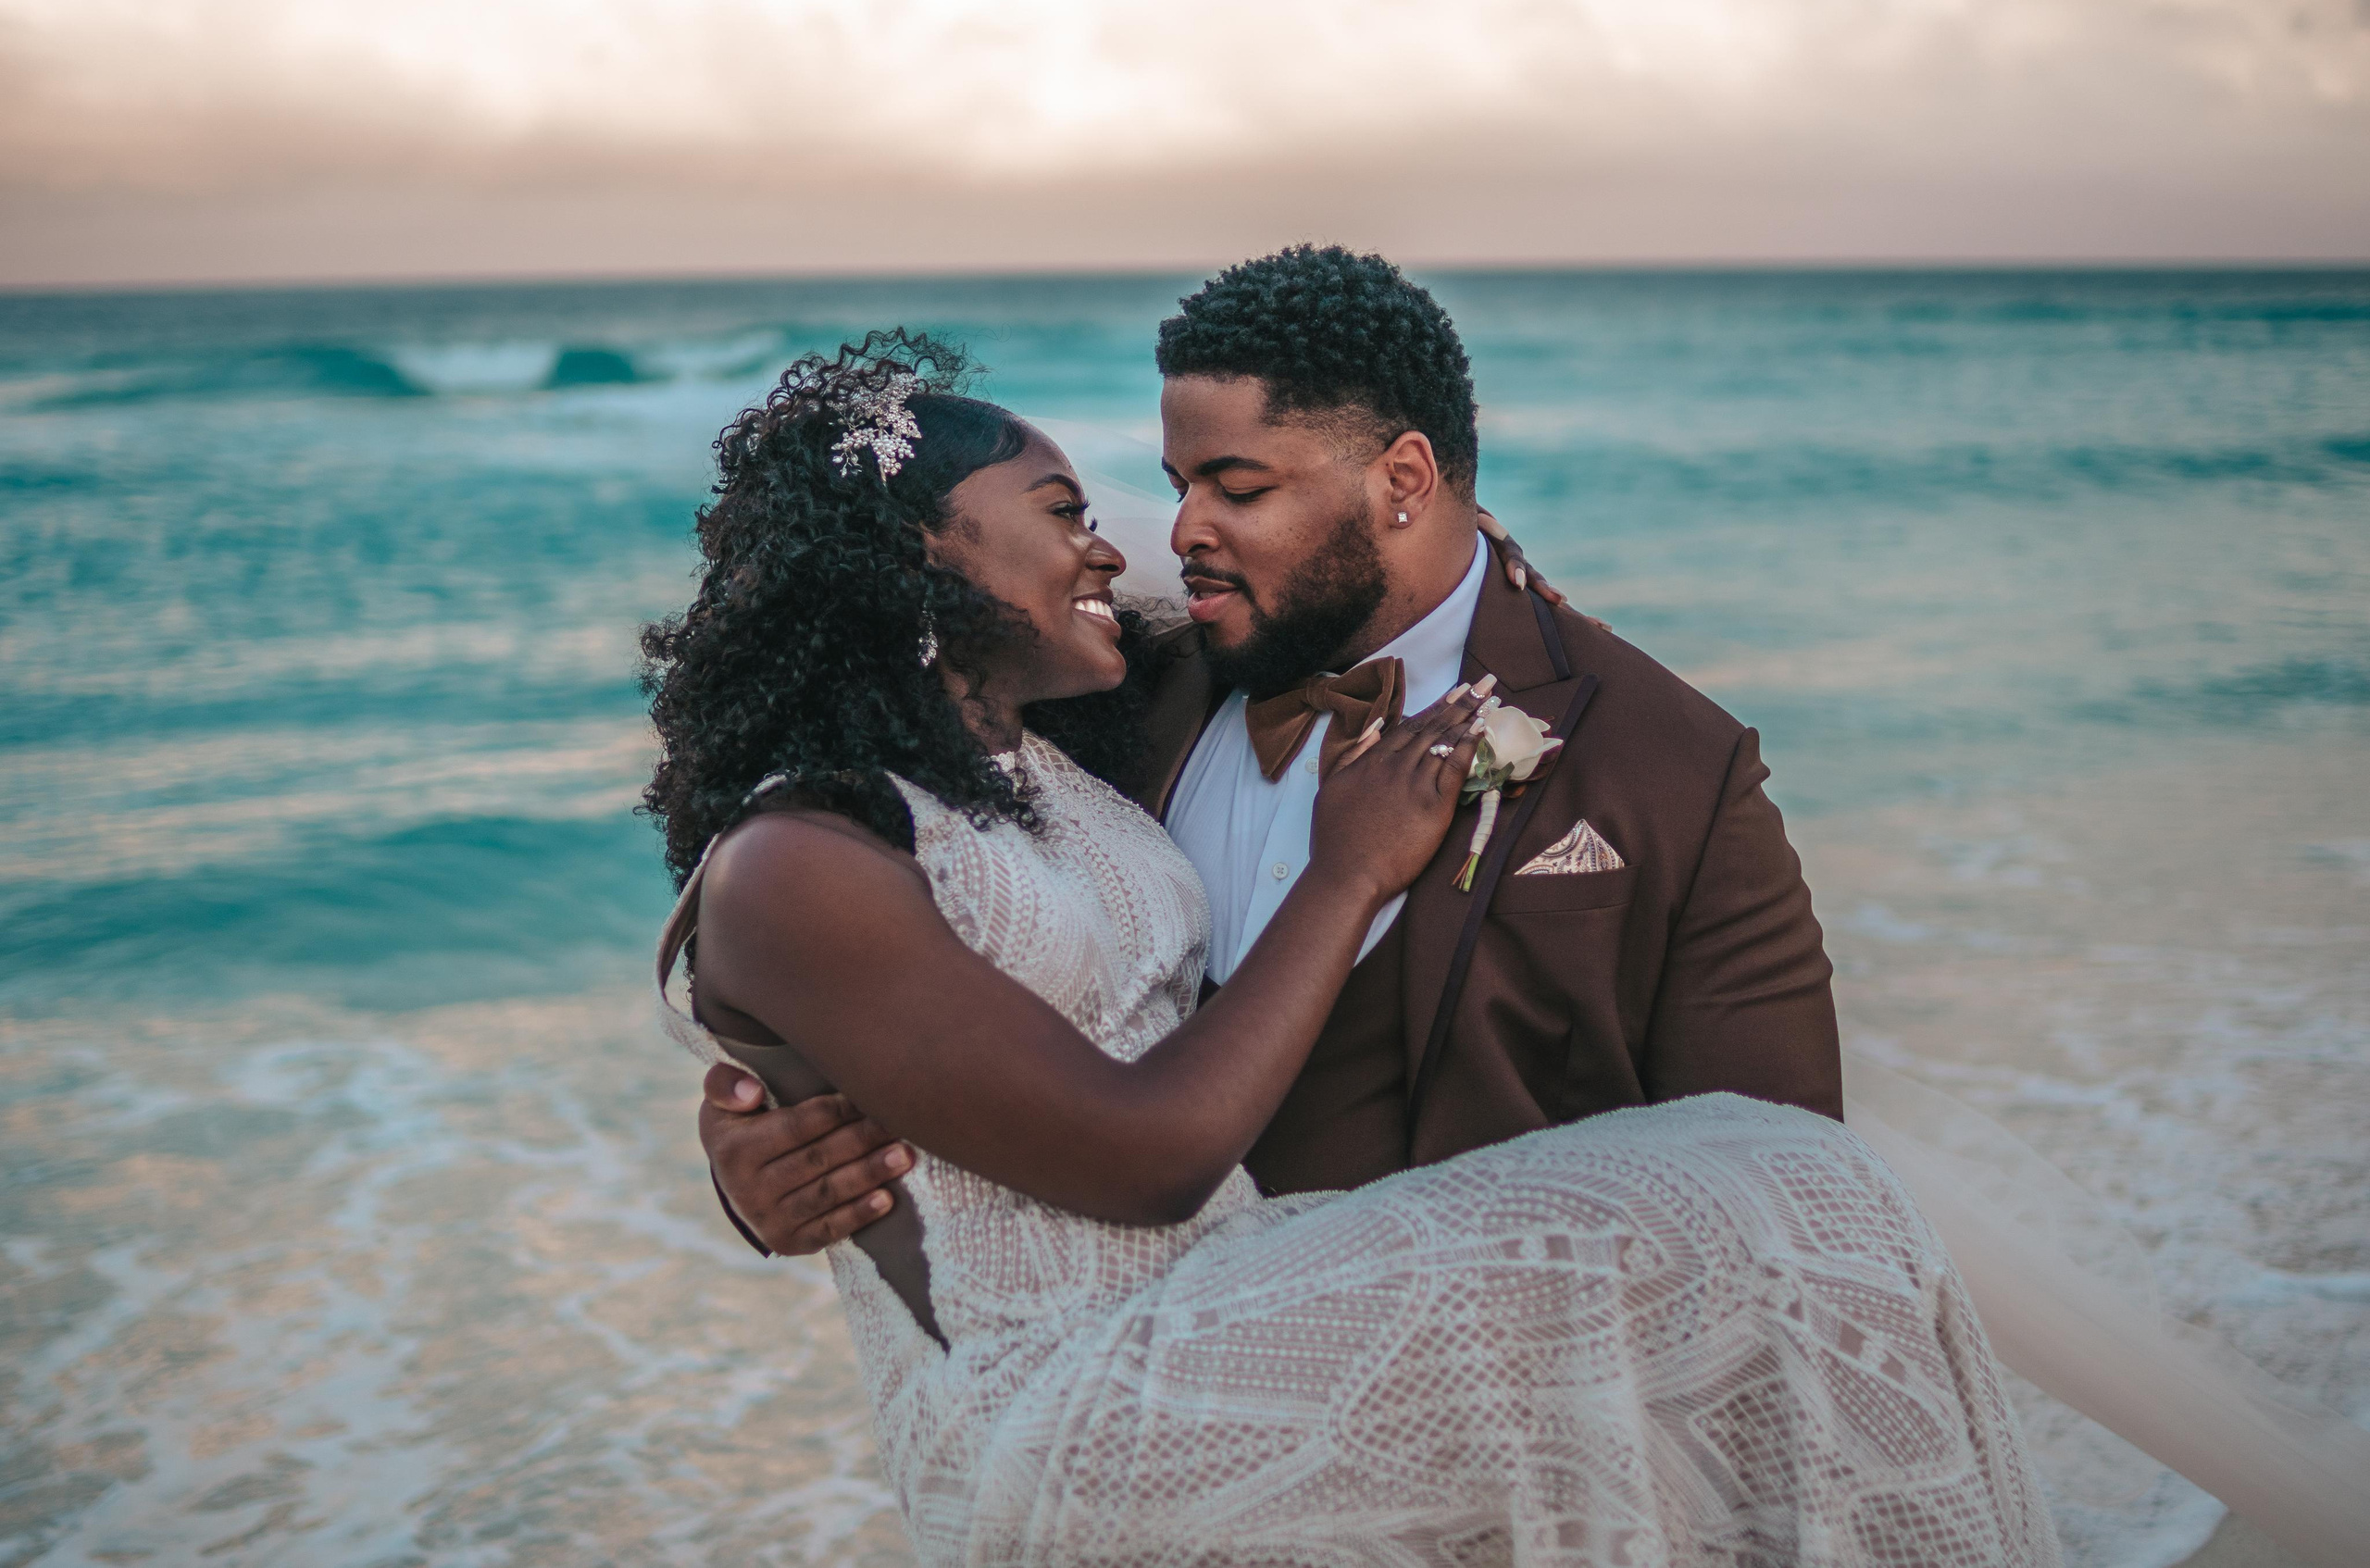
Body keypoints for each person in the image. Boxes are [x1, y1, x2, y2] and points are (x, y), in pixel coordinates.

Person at [644, 325, 2057, 1563]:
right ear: (912, 561)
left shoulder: (1660, 759)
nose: (1158, 537)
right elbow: (1001, 1076)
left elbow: (1757, 1116)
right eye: (1129, 496)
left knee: (1799, 1195)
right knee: (1790, 1200)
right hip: (1109, 1405)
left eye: (1234, 486)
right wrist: (770, 1153)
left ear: (1404, 480)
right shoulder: (1113, 710)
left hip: (1339, 1342)